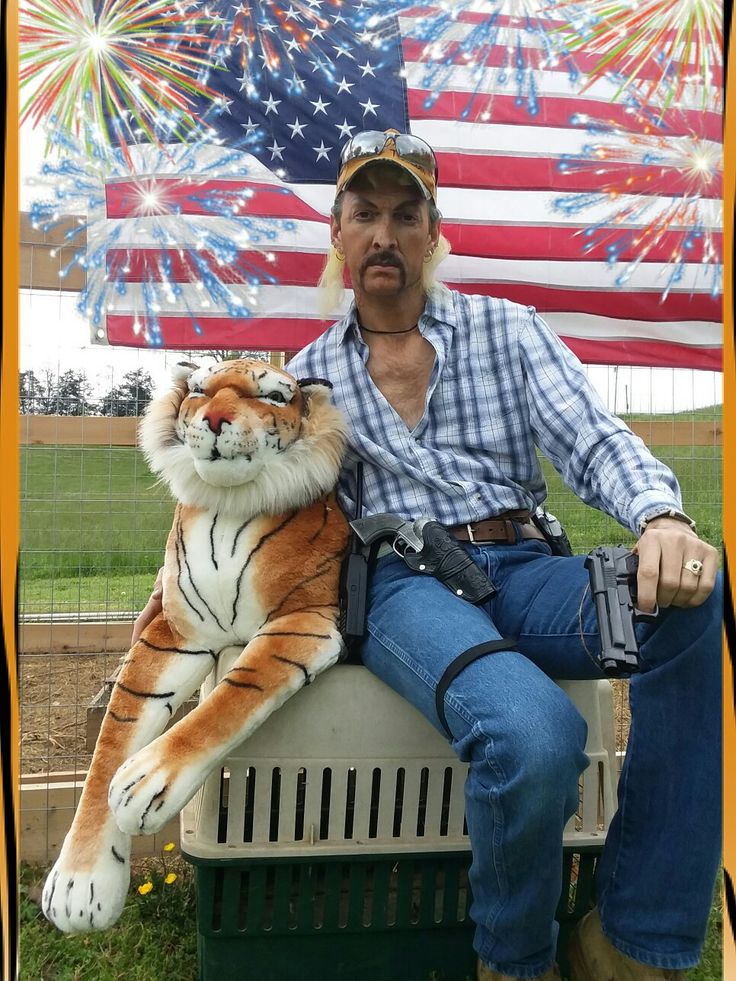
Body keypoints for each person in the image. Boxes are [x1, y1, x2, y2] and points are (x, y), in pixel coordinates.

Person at [134, 130, 721, 981]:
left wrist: (661, 515)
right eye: (364, 213)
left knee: (694, 597)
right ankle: (514, 962)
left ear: (433, 234)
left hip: (524, 563)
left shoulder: (508, 331)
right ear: (338, 233)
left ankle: (630, 943)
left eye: (405, 215)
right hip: (407, 587)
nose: (384, 234)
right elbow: (253, 508)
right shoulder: (302, 382)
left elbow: (592, 440)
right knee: (534, 735)